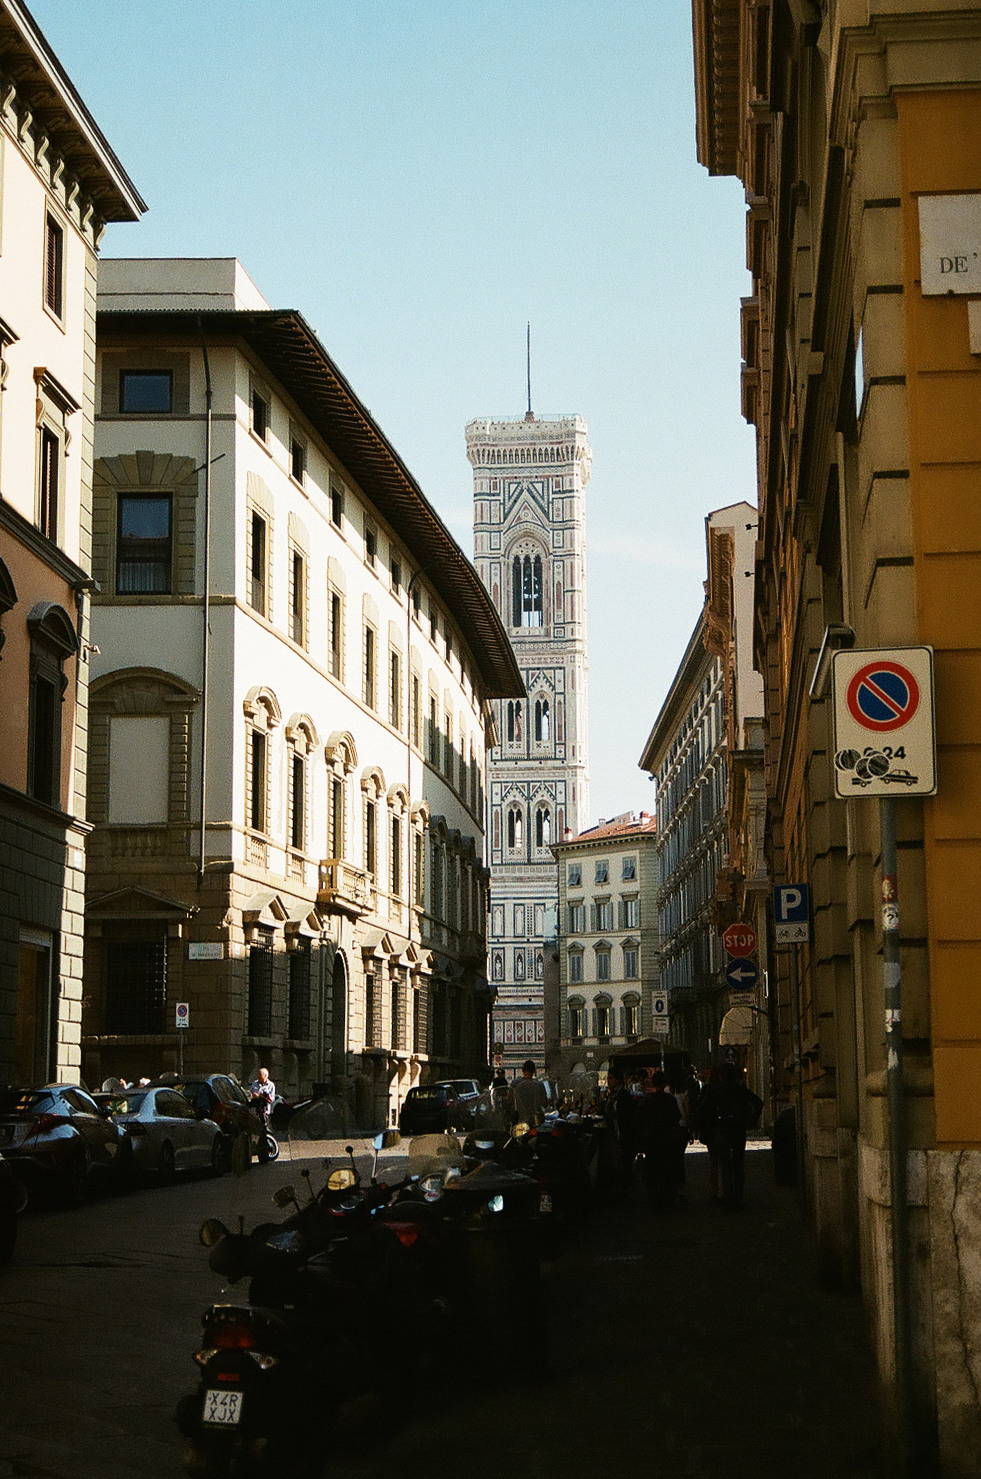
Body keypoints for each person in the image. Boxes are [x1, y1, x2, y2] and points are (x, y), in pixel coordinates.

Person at [695, 1062, 763, 1208]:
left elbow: (702, 1110)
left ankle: (729, 1197)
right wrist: (751, 1121)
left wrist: (708, 1125)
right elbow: (758, 1102)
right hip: (738, 1129)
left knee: (725, 1164)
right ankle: (738, 1197)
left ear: (721, 1076)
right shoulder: (740, 1090)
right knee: (738, 1164)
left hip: (722, 1129)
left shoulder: (715, 1091)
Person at [635, 1071, 683, 1211]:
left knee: (653, 1171)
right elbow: (676, 1118)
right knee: (667, 1170)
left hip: (651, 1140)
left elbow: (639, 1118)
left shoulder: (647, 1100)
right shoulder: (670, 1100)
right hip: (667, 1140)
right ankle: (667, 1199)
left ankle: (654, 1200)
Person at [508, 1059, 548, 1127]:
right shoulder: (539, 1085)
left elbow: (509, 1100)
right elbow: (544, 1103)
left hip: (519, 1120)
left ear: (522, 1070)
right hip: (536, 1120)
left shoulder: (515, 1084)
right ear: (534, 1071)